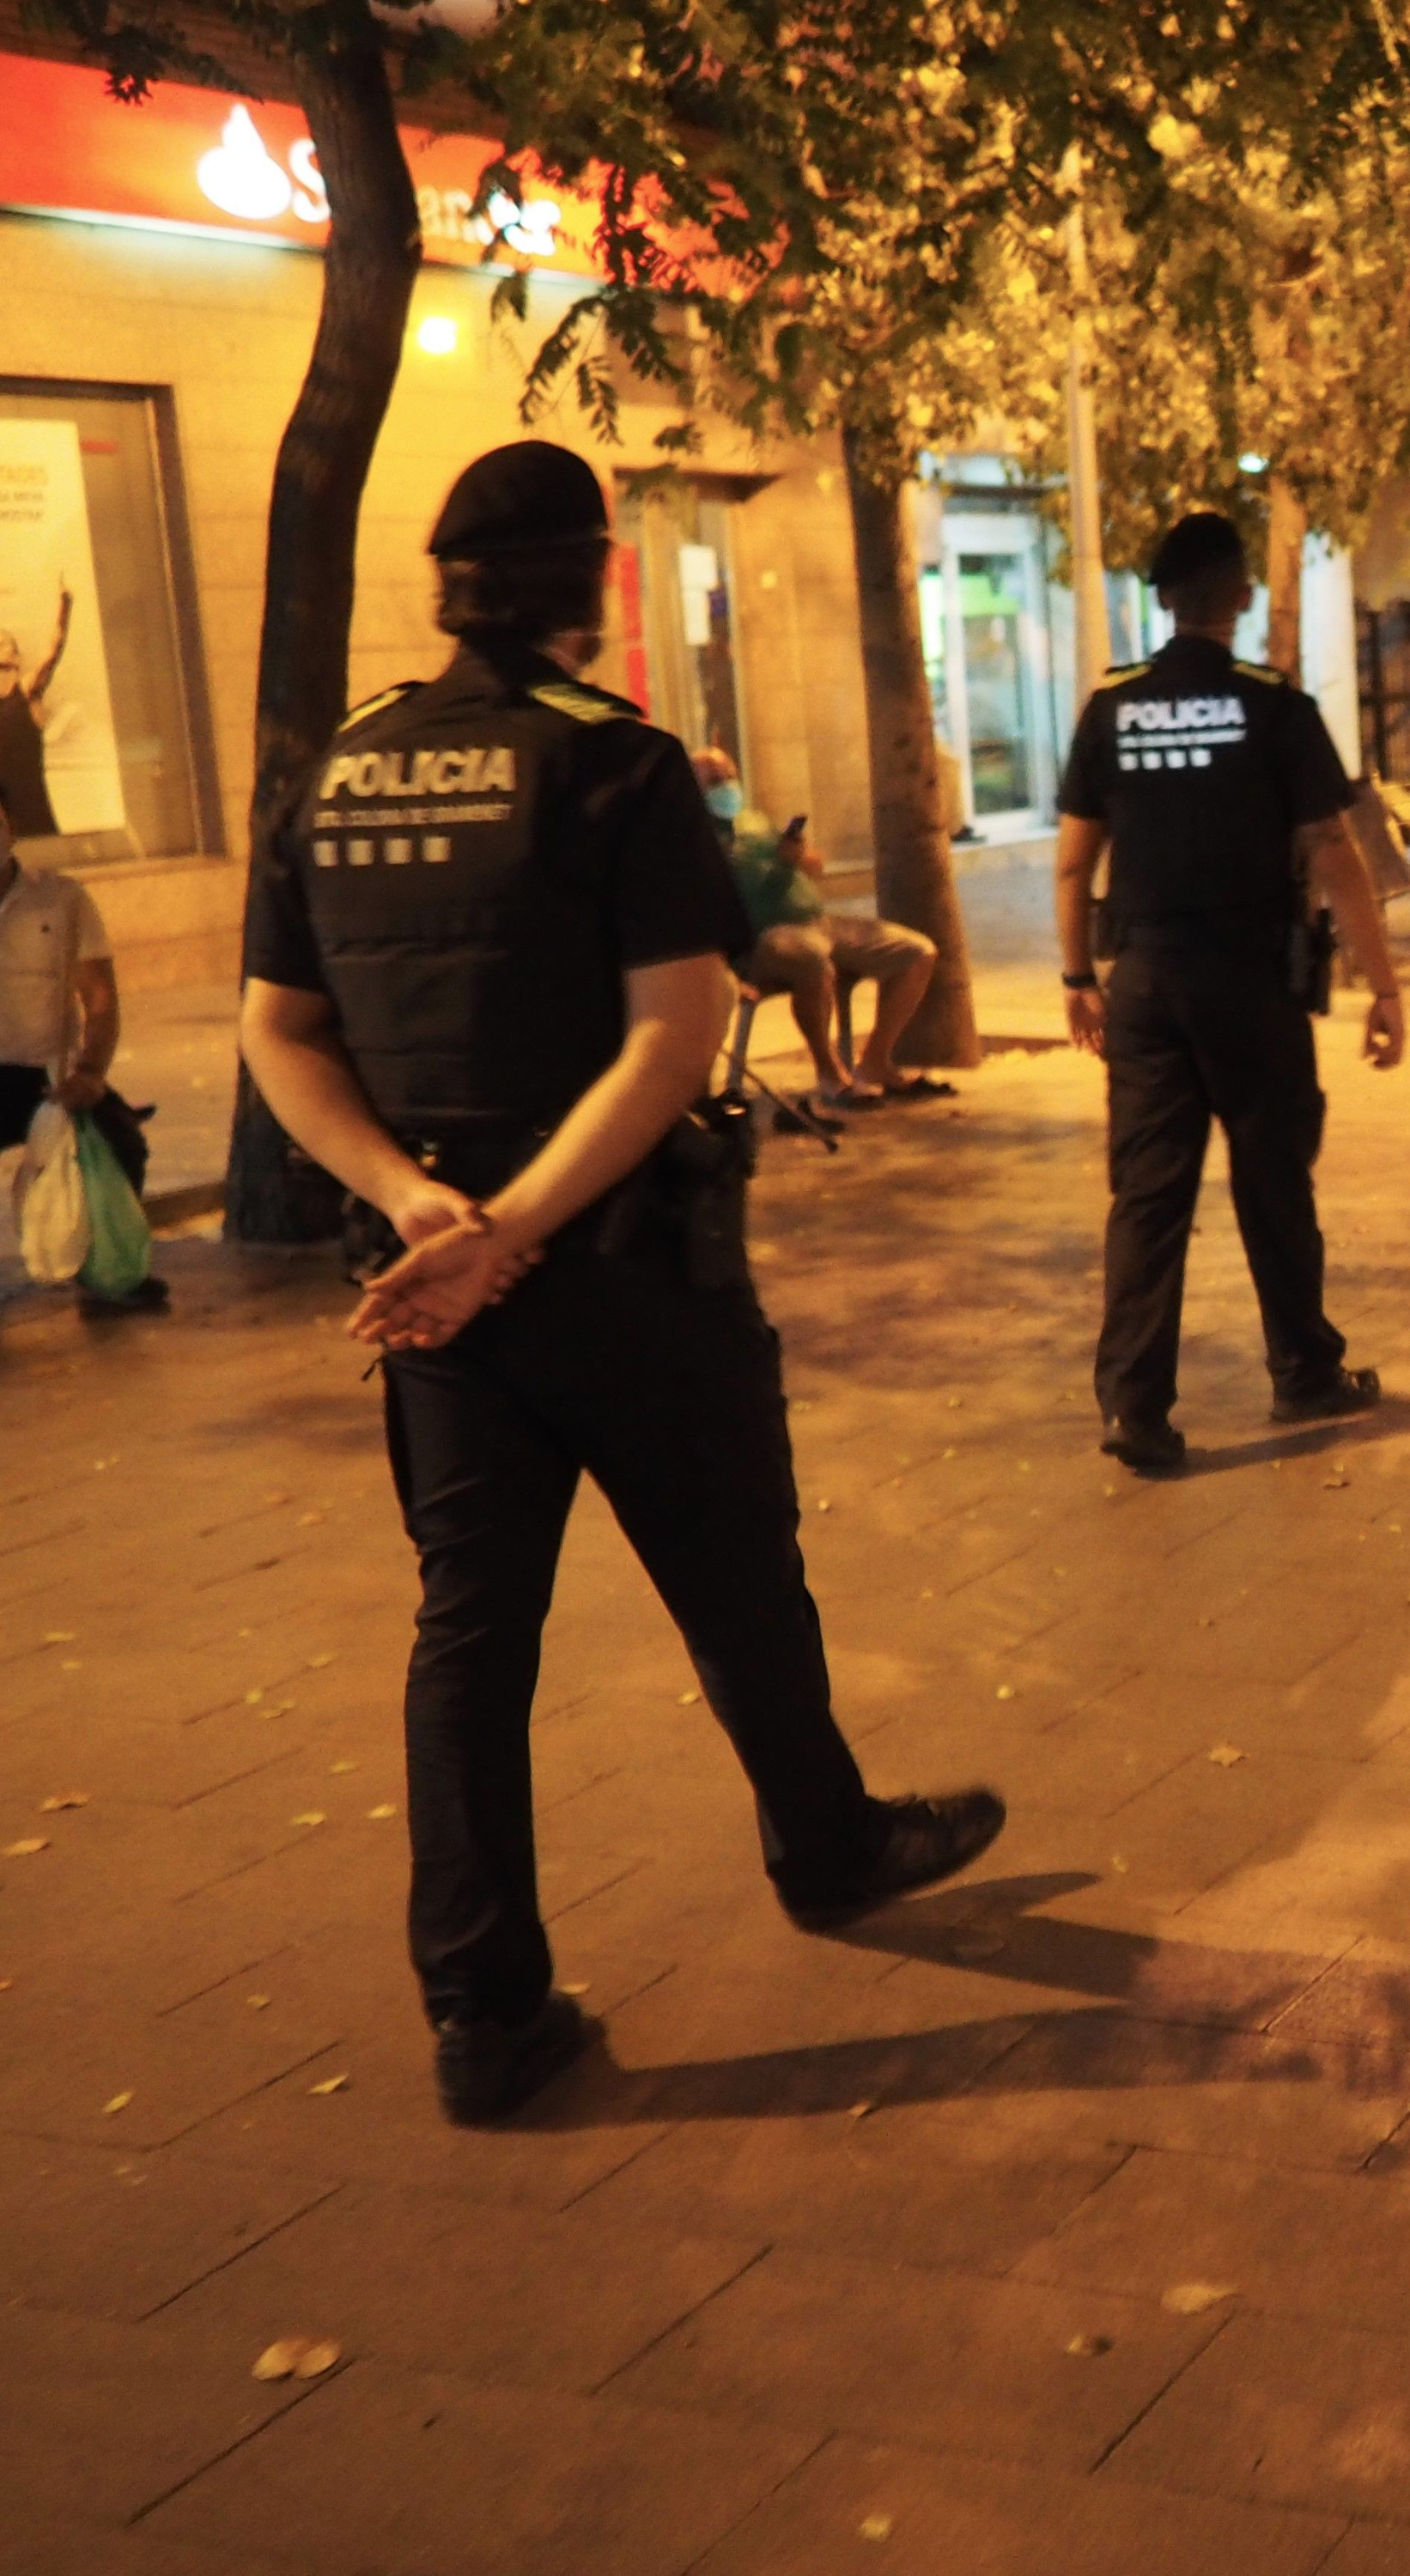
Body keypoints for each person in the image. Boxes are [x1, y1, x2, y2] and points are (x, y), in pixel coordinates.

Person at [235, 440, 1005, 2126]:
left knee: (469, 1638)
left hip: (431, 1295)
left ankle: (482, 2012)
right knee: (737, 1577)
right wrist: (506, 1227)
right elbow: (673, 1040)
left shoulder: (336, 773)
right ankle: (828, 1846)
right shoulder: (618, 769)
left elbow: (277, 1033)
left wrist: (417, 1209)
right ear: (591, 583)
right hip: (623, 1275)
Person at [1054, 508, 1407, 1477]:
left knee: (1147, 1194)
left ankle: (1134, 1408)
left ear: (1162, 599)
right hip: (1251, 981)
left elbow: (1073, 863)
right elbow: (1334, 850)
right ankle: (1302, 1368)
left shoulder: (1110, 707)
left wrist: (1077, 976)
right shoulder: (1274, 705)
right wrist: (1383, 986)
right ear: (1241, 597)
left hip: (1147, 983)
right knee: (1273, 1178)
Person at [692, 748, 945, 1109]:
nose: (727, 786)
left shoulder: (755, 820)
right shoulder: (695, 836)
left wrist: (800, 854)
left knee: (917, 952)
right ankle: (830, 1073)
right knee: (810, 962)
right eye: (715, 780)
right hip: (766, 935)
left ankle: (875, 1060)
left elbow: (814, 867)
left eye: (730, 776)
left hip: (818, 921)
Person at [1, 801, 166, 1313]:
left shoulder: (60, 898)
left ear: (10, 824)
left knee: (120, 1140)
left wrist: (91, 1072)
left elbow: (99, 995)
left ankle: (108, 1272)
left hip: (45, 1075)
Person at [0, 585, 74, 839]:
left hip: (34, 817)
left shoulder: (28, 692)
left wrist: (65, 606)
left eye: (3, 644)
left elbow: (54, 649)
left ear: (17, 658)